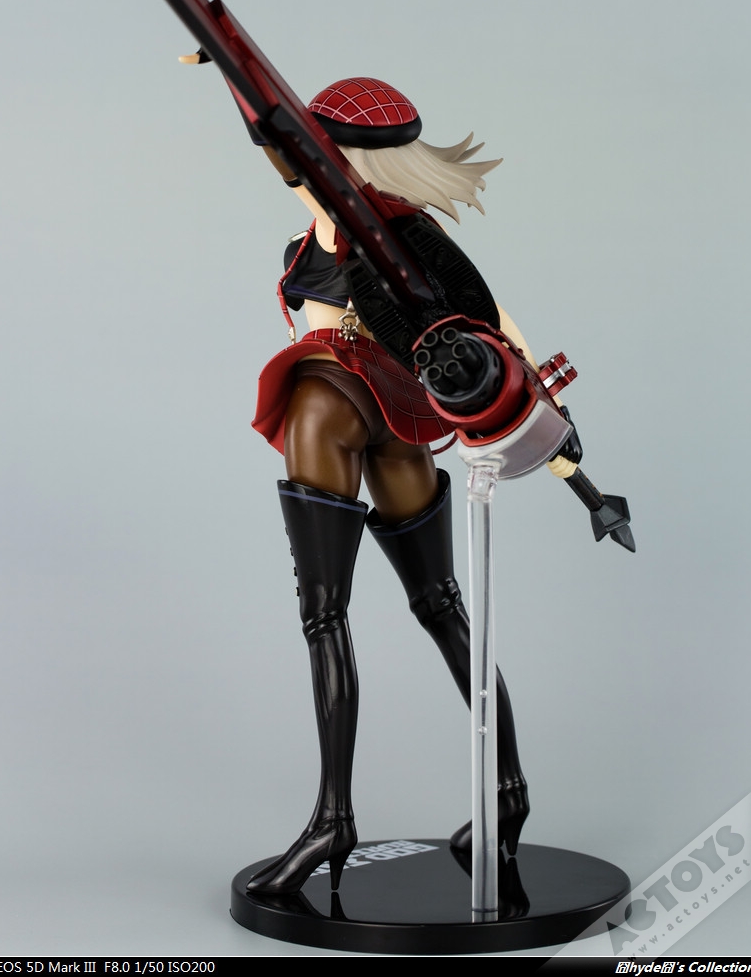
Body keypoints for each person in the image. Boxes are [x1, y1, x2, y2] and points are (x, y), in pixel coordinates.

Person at [239, 77, 541, 897]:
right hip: (395, 416)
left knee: (328, 613)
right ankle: (507, 792)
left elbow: (485, 321)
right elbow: (278, 147)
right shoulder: (324, 235)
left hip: (333, 406)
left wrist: (535, 422)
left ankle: (332, 819)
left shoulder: (392, 235)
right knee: (441, 606)